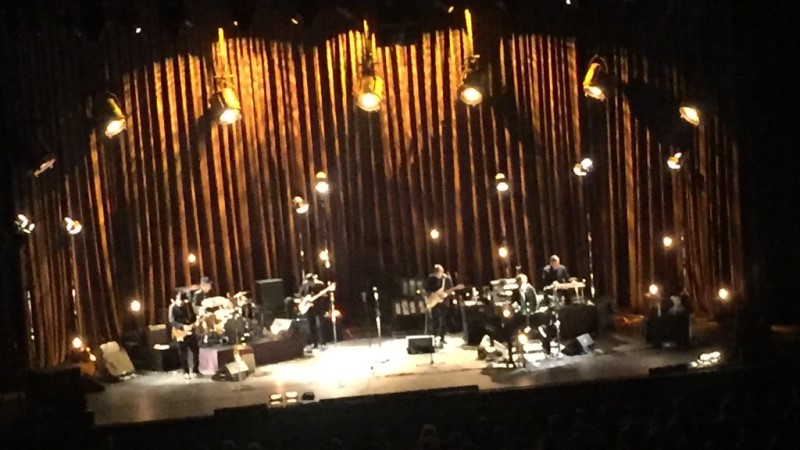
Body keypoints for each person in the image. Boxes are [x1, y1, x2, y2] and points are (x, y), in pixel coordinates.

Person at [169, 293, 200, 379]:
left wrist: (195, 321)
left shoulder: (187, 305)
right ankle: (186, 371)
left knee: (195, 350)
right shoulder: (172, 307)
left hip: (190, 330)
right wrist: (183, 326)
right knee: (183, 353)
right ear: (176, 300)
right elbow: (172, 321)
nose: (182, 303)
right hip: (179, 332)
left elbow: (193, 316)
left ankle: (195, 370)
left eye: (183, 301)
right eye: (180, 301)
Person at [424, 264, 454, 346]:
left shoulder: (447, 279)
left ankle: (442, 338)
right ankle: (434, 337)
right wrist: (430, 296)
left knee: (443, 320)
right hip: (434, 302)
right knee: (435, 320)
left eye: (439, 273)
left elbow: (450, 290)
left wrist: (446, 295)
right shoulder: (431, 279)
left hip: (444, 302)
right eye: (436, 273)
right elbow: (426, 289)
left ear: (442, 272)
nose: (437, 275)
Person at [299, 273, 328, 349]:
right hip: (309, 308)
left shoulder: (319, 285)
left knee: (320, 325)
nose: (309, 283)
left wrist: (323, 295)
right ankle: (314, 343)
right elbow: (300, 295)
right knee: (311, 325)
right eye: (308, 281)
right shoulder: (304, 286)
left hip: (318, 307)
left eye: (311, 281)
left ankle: (322, 343)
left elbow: (325, 296)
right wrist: (305, 300)